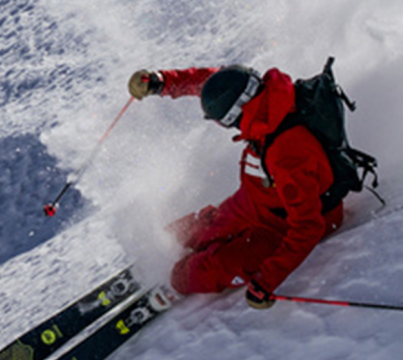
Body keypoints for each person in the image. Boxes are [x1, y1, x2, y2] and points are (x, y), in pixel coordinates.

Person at [128, 64, 344, 309]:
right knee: (189, 230)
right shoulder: (262, 98)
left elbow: (307, 226)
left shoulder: (288, 154)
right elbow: (213, 85)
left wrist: (266, 282)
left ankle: (178, 282)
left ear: (234, 115)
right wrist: (161, 82)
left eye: (224, 121)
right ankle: (172, 257)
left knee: (216, 266)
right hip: (254, 200)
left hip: (280, 226)